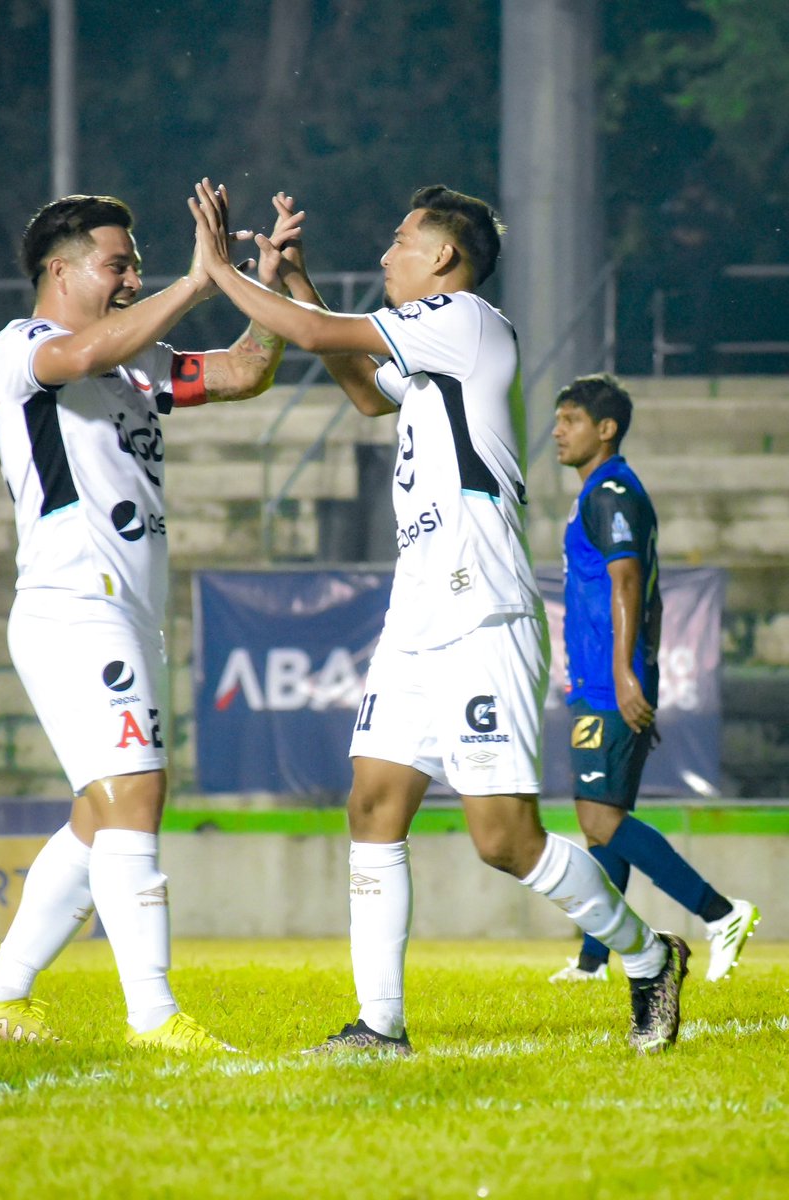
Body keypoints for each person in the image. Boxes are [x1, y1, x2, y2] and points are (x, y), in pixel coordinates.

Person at [189, 178, 690, 1055]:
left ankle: (650, 958)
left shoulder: (469, 322)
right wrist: (295, 284)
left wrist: (221, 271)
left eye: (398, 241)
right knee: (374, 803)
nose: (384, 255)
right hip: (416, 614)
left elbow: (314, 340)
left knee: (506, 839)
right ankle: (380, 1025)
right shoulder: (430, 349)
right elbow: (364, 389)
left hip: (481, 611)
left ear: (446, 260)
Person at [0, 187, 299, 1051]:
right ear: (59, 270)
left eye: (137, 265)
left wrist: (273, 285)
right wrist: (193, 282)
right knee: (135, 792)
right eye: (118, 264)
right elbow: (86, 351)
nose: (131, 278)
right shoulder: (25, 348)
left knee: (103, 812)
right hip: (74, 605)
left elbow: (247, 371)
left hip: (128, 611)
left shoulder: (138, 363)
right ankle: (155, 1017)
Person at [549, 373, 759, 985]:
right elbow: (656, 600)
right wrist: (644, 671)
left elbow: (630, 586)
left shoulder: (610, 491)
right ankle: (593, 962)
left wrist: (624, 676)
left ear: (605, 429)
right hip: (610, 677)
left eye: (571, 419)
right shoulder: (607, 491)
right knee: (607, 823)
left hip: (605, 680)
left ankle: (720, 914)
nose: (558, 430)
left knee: (598, 819)